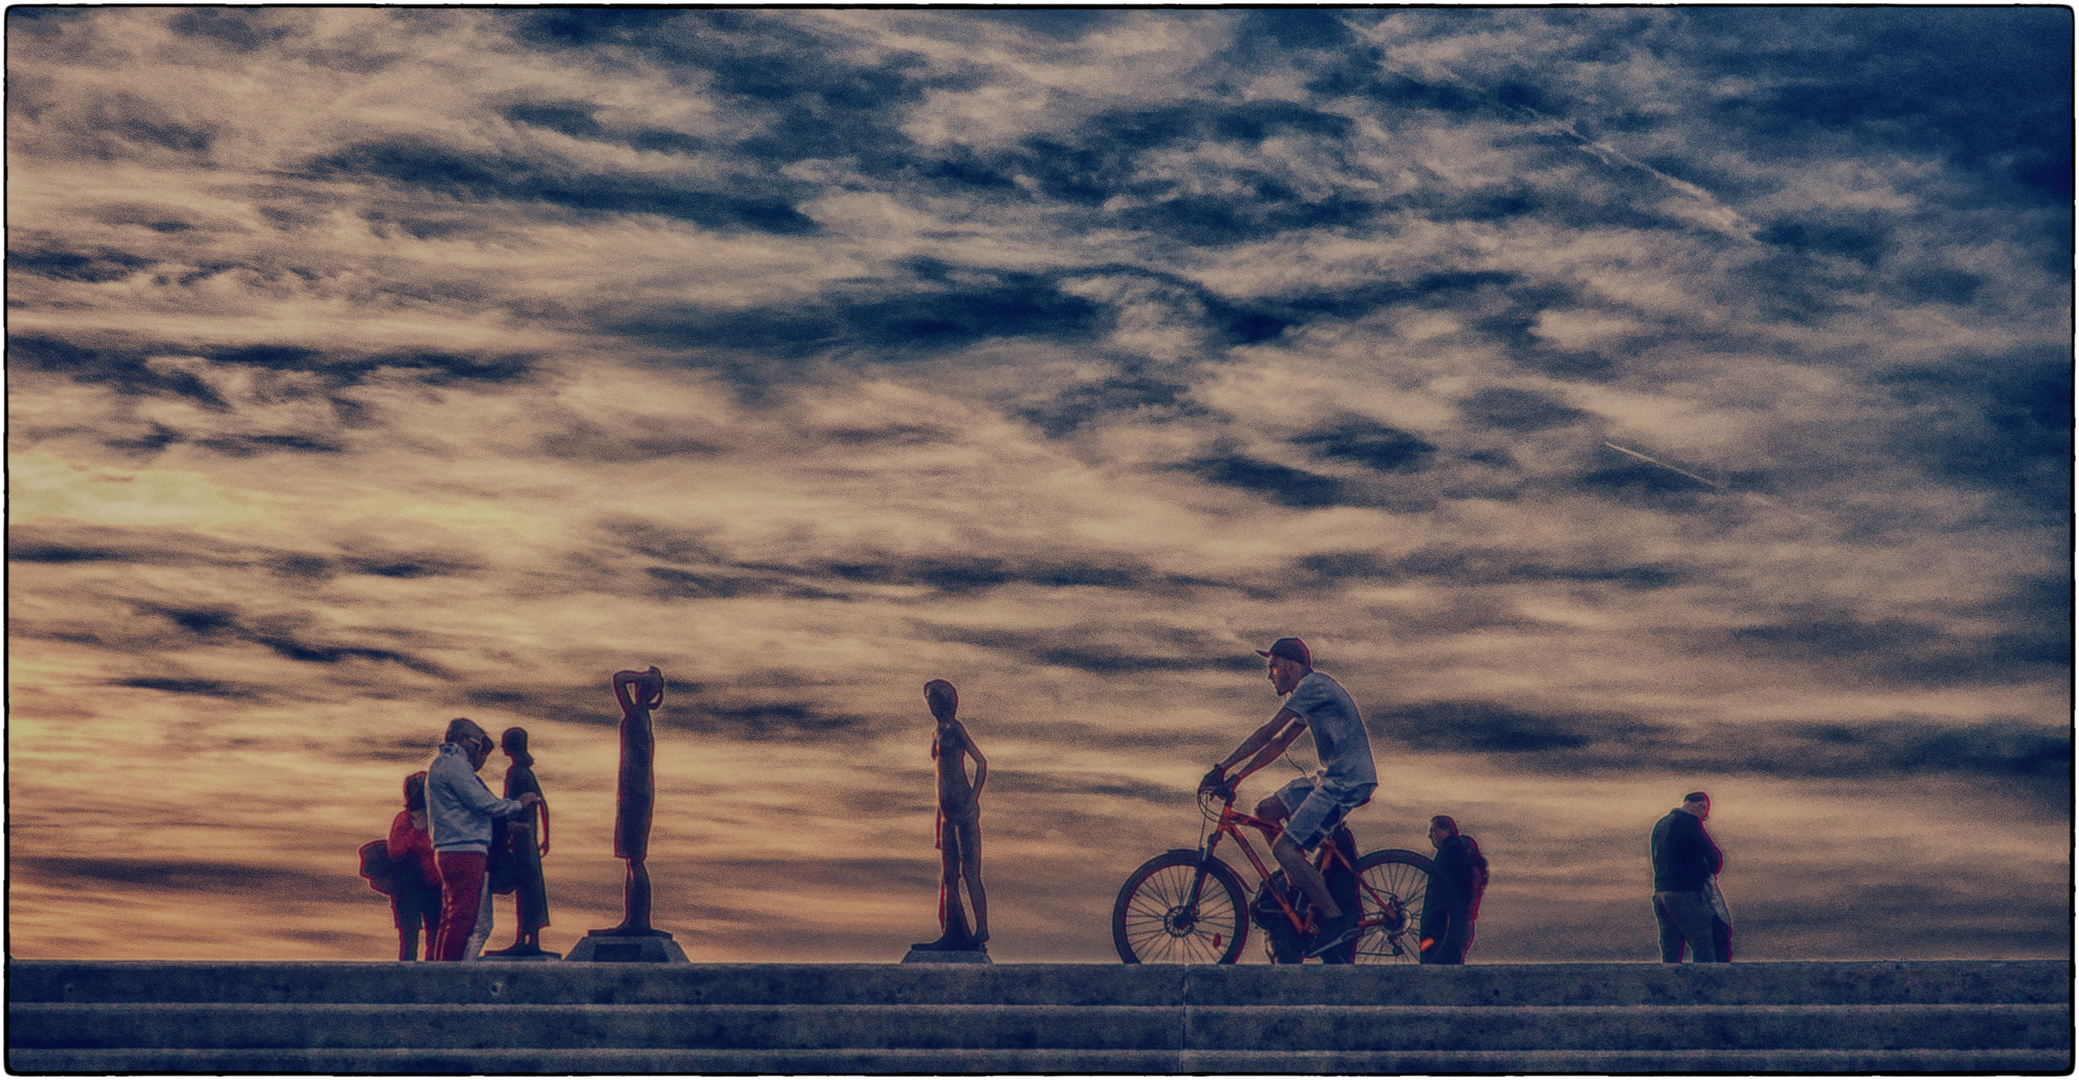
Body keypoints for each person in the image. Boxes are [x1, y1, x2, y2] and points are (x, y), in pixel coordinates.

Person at [1200, 637, 1377, 958]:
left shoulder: (1314, 686)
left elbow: (1269, 731)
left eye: (1274, 666)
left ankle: (1336, 921)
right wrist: (1237, 777)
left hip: (1347, 781)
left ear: (1293, 667)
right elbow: (1278, 744)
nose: (1270, 675)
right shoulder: (1309, 695)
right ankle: (1298, 877)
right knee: (1265, 810)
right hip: (1332, 777)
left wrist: (1222, 767)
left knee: (1285, 847)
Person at [426, 717, 541, 962]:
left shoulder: (443, 766)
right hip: (463, 847)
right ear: (461, 739)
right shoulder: (454, 765)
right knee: (462, 916)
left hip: (452, 846)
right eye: (478, 745)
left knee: (454, 914)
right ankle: (449, 974)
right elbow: (481, 802)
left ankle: (441, 969)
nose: (479, 752)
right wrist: (517, 804)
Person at [912, 679, 990, 950]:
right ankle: (952, 931)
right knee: (948, 876)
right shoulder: (936, 732)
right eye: (928, 699)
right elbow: (939, 780)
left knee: (970, 873)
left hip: (963, 811)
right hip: (945, 814)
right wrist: (938, 825)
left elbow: (981, 762)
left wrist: (973, 798)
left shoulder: (955, 729)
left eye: (934, 699)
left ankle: (981, 929)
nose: (931, 704)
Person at [484, 726, 553, 957]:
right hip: (526, 836)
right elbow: (541, 804)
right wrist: (545, 836)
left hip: (523, 837)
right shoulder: (523, 772)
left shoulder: (517, 772)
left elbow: (527, 804)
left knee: (527, 886)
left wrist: (504, 828)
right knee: (528, 886)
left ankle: (527, 939)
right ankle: (526, 938)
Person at [1650, 790, 1724, 963]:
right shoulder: (1689, 823)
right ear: (1700, 807)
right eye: (1704, 815)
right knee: (1704, 946)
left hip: (1661, 893)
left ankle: (1669, 988)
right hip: (1685, 893)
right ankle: (1704, 988)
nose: (1703, 819)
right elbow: (1714, 858)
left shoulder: (1661, 824)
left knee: (1671, 952)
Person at [384, 771, 443, 961]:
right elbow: (395, 851)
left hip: (434, 885)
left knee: (435, 934)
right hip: (409, 888)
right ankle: (407, 971)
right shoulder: (404, 820)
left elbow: (438, 849)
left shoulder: (438, 820)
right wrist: (416, 832)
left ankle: (432, 971)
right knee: (409, 935)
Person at [1419, 815, 1487, 964]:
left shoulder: (1451, 851)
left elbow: (1440, 893)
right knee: (1453, 967)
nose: (1430, 836)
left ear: (1443, 830)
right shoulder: (1465, 851)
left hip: (1443, 925)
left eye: (1432, 830)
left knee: (1433, 968)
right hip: (1462, 923)